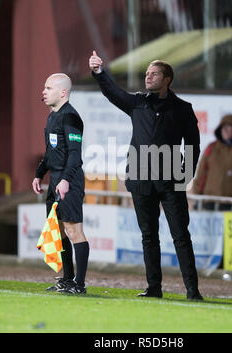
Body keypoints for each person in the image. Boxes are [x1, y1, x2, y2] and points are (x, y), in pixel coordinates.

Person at [89, 51, 203, 300]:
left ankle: (192, 290)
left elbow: (193, 146)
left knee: (180, 236)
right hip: (141, 180)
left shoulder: (183, 109)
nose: (148, 77)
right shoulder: (138, 102)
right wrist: (99, 73)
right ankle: (154, 288)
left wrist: (185, 176)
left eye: (154, 74)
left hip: (171, 181)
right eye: (146, 74)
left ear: (167, 79)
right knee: (148, 236)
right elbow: (113, 93)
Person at [32, 73, 89, 294]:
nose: (43, 92)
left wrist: (65, 180)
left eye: (48, 88)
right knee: (60, 231)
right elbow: (50, 152)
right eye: (44, 88)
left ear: (63, 92)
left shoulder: (71, 117)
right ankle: (67, 279)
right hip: (55, 179)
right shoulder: (52, 116)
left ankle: (80, 284)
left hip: (70, 180)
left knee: (74, 231)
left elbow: (75, 155)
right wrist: (39, 174)